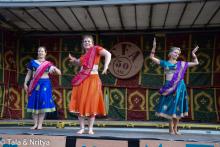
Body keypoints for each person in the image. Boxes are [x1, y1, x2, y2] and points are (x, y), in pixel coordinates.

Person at [150, 37, 199, 135]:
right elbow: (151, 57)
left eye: (178, 53)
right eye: (175, 52)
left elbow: (196, 63)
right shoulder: (165, 63)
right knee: (172, 108)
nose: (177, 54)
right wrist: (154, 47)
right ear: (170, 53)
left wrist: (193, 55)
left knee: (178, 107)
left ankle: (176, 129)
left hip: (180, 87)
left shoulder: (181, 64)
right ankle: (171, 130)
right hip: (169, 87)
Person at [69, 35, 111, 135]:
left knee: (91, 103)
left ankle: (90, 128)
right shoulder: (83, 56)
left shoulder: (96, 49)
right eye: (85, 42)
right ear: (83, 44)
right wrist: (74, 61)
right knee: (81, 103)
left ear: (92, 43)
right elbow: (79, 64)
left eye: (89, 41)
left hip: (93, 79)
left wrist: (106, 66)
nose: (87, 43)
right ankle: (82, 128)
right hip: (82, 81)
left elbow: (108, 54)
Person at [24, 46, 61, 130]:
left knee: (42, 102)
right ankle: (35, 124)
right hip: (34, 84)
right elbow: (29, 74)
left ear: (45, 53)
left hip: (45, 84)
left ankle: (40, 124)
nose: (40, 52)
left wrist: (55, 69)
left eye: (42, 51)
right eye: (39, 51)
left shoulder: (48, 64)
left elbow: (58, 72)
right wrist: (25, 83)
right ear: (37, 53)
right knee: (34, 102)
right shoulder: (32, 62)